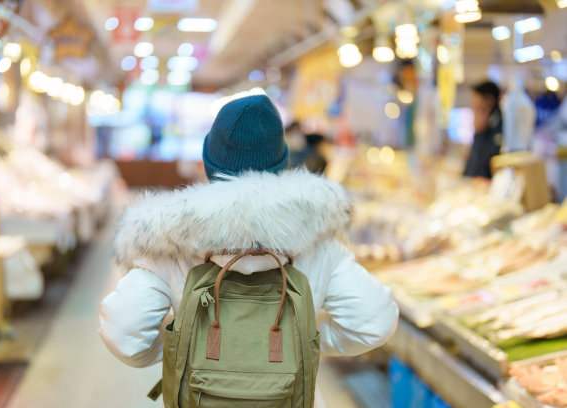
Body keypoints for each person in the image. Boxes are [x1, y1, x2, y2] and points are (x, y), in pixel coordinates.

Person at [99, 94, 399, 404]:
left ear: (208, 162)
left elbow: (125, 332)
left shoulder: (170, 241)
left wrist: (186, 344)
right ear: (282, 163)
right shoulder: (318, 240)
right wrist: (305, 339)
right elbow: (373, 321)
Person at [463, 80, 503, 179]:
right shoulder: (486, 127)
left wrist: (479, 132)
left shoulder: (499, 131)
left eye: (476, 104)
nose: (473, 107)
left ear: (489, 102)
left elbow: (479, 170)